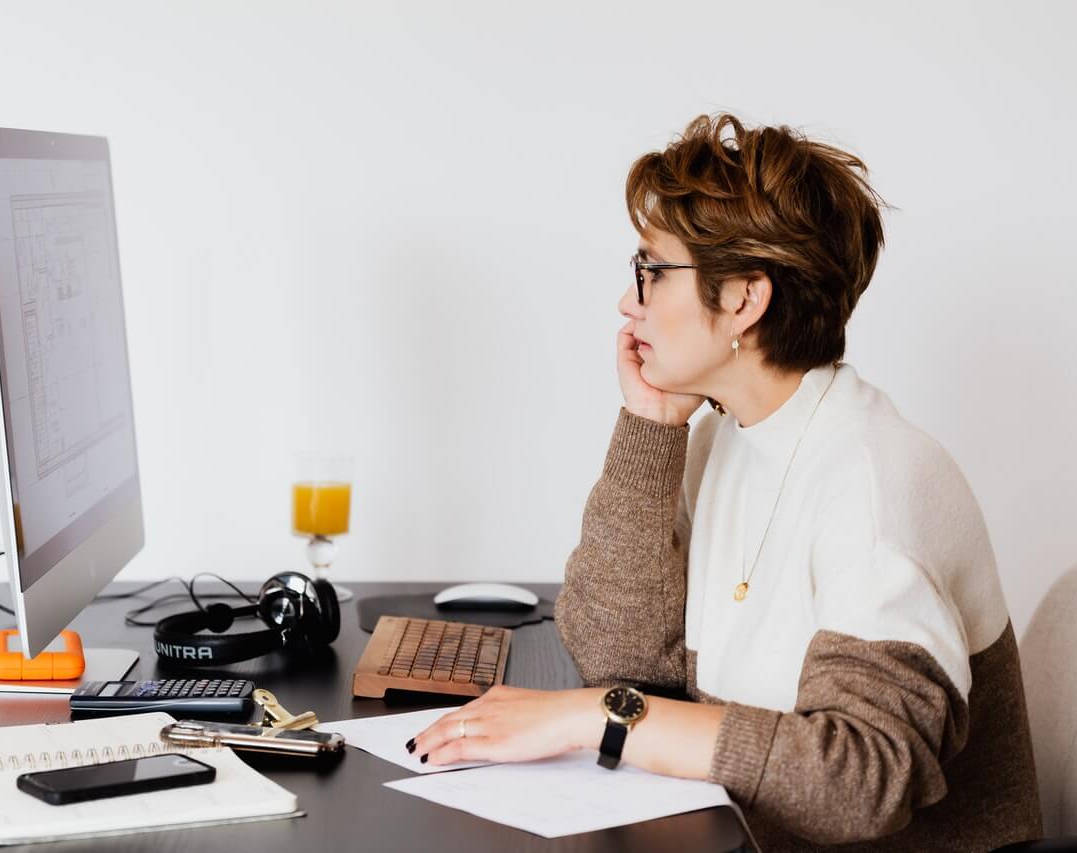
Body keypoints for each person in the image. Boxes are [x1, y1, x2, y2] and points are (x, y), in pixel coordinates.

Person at [408, 113, 1042, 851]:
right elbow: (619, 659)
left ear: (744, 297)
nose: (627, 300)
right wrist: (651, 425)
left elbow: (860, 782)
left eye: (650, 269)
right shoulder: (724, 438)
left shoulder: (875, 482)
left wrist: (597, 717)